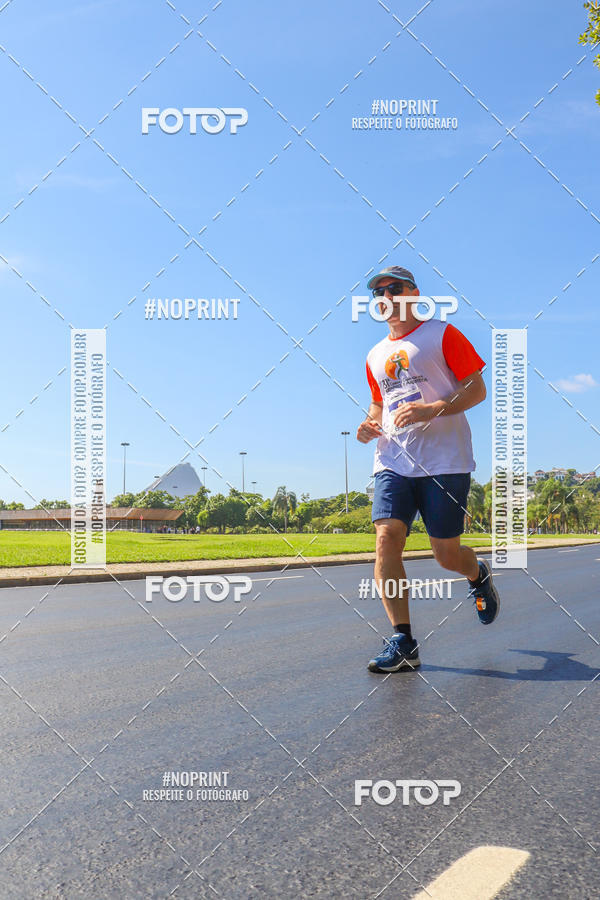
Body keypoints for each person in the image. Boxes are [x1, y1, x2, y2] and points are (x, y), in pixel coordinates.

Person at [356, 266, 500, 673]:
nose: (385, 296)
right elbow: (379, 404)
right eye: (378, 292)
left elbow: (476, 388)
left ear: (413, 293)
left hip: (444, 461)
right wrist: (369, 425)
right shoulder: (374, 355)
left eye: (394, 288)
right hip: (393, 459)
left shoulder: (442, 334)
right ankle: (403, 641)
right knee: (387, 538)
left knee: (446, 555)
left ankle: (477, 574)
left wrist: (433, 408)